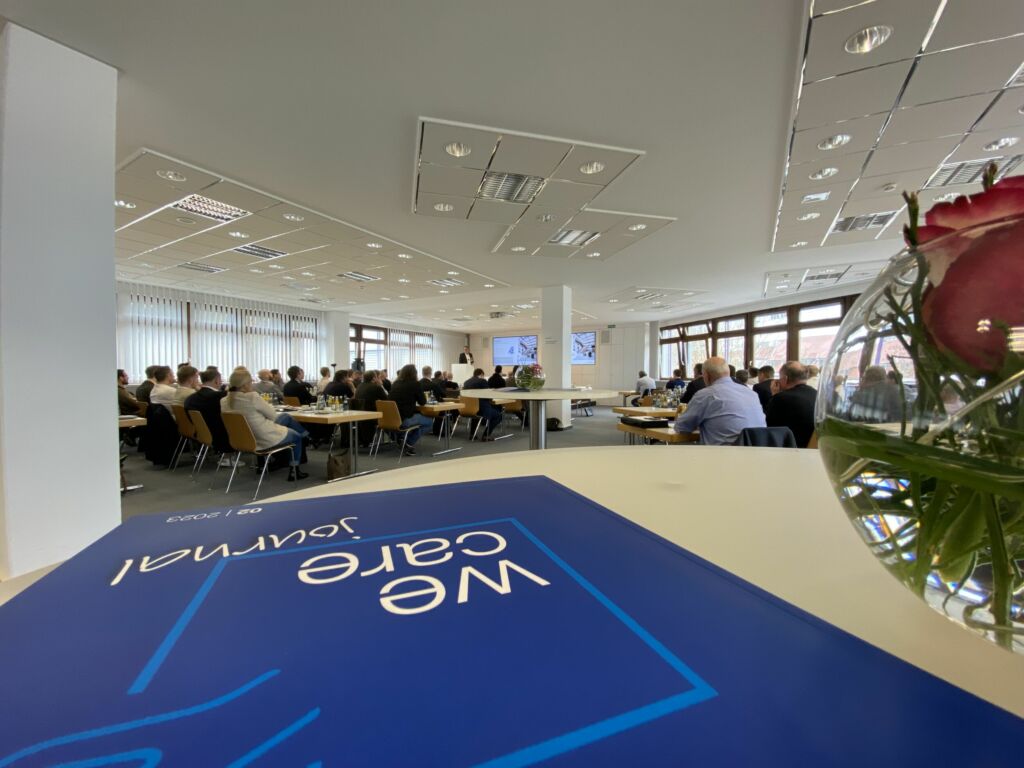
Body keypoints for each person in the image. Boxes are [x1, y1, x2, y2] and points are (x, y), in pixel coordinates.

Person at [221, 369, 308, 480]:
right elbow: (273, 416)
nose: (252, 384)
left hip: (244, 438)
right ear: (245, 385)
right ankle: (294, 471)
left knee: (286, 417)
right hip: (263, 437)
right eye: (251, 382)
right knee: (297, 437)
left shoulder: (224, 400)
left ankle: (306, 437)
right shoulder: (252, 397)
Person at [673, 357, 766, 445]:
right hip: (757, 450)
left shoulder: (706, 394)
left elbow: (682, 427)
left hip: (723, 453)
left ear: (706, 376)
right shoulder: (751, 393)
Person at [765, 361, 817, 448]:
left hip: (792, 448)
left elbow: (770, 427)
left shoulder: (780, 398)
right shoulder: (817, 394)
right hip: (815, 449)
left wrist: (774, 396)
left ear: (785, 379)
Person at [388, 364, 434, 456]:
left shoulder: (395, 384)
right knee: (429, 422)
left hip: (392, 419)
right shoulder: (415, 384)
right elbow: (422, 402)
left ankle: (402, 438)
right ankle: (408, 443)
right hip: (404, 419)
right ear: (414, 373)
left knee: (417, 419)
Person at [184, 368, 231, 455]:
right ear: (217, 381)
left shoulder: (190, 398)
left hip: (201, 434)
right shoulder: (221, 397)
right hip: (222, 436)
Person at [463, 368, 502, 439]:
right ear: (481, 374)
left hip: (469, 408)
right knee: (498, 416)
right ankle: (486, 435)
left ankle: (472, 434)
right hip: (481, 408)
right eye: (483, 375)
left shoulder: (466, 382)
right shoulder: (482, 381)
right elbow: (488, 395)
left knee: (476, 413)